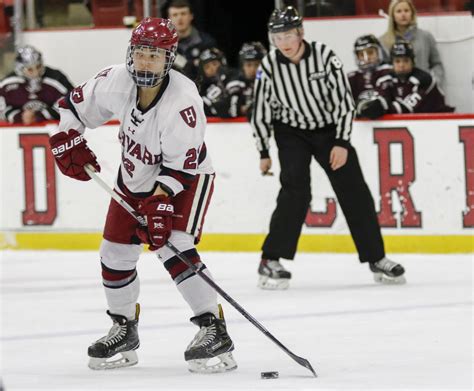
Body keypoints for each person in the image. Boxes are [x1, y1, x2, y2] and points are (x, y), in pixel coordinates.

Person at [48, 17, 237, 373]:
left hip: (187, 177)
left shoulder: (183, 101)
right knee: (115, 252)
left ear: (169, 59)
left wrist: (162, 199)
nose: (145, 62)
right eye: (140, 53)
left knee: (173, 244)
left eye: (155, 55)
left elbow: (182, 164)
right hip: (133, 176)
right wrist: (65, 139)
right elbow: (71, 107)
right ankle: (123, 328)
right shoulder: (114, 80)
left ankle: (214, 327)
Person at [251, 6, 406, 290]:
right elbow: (260, 110)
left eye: (287, 35)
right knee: (295, 189)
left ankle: (377, 257)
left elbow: (344, 103)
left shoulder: (324, 56)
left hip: (328, 130)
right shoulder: (269, 65)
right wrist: (263, 151)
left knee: (354, 189)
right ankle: (270, 259)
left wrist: (342, 142)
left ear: (300, 33)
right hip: (291, 132)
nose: (283, 43)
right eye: (277, 37)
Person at [358, 41, 454, 118]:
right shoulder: (384, 80)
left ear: (413, 62)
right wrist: (367, 106)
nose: (401, 65)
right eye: (397, 61)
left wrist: (381, 106)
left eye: (406, 60)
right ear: (392, 63)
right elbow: (382, 99)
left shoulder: (425, 79)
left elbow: (406, 109)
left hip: (439, 121)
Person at [0, 45, 74, 124]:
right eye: (30, 69)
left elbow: (71, 101)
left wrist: (40, 116)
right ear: (20, 69)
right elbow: (2, 108)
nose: (36, 73)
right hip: (17, 130)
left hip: (54, 129)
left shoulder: (56, 78)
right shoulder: (7, 84)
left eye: (38, 67)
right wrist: (19, 117)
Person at [379, 0, 444, 87]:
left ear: (412, 13)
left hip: (423, 88)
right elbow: (383, 69)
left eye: (406, 10)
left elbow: (436, 64)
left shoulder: (425, 36)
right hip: (397, 91)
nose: (403, 14)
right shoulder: (383, 40)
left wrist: (434, 81)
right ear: (392, 15)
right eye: (399, 11)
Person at [167, 0, 217, 81]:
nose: (179, 18)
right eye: (175, 15)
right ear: (169, 19)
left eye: (183, 14)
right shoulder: (165, 45)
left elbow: (214, 73)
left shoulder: (206, 42)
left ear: (191, 16)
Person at [347, 34, 392, 117]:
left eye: (370, 52)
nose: (366, 58)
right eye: (361, 54)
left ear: (379, 52)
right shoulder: (351, 77)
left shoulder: (389, 71)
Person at [197, 47, 240, 118]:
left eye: (214, 64)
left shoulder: (234, 76)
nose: (212, 69)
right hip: (215, 125)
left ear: (222, 63)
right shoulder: (202, 89)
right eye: (207, 67)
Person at [230, 41, 268, 120]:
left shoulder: (270, 83)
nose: (253, 69)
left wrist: (246, 108)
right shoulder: (235, 83)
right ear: (242, 66)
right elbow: (234, 111)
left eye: (257, 65)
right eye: (248, 65)